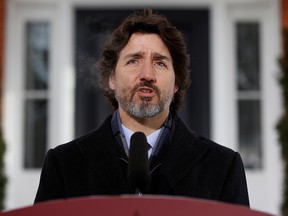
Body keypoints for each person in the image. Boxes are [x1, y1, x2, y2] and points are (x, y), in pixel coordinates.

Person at [34, 8, 250, 206]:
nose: (147, 75)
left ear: (176, 83)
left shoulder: (222, 168)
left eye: (160, 63)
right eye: (133, 61)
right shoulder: (64, 165)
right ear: (112, 78)